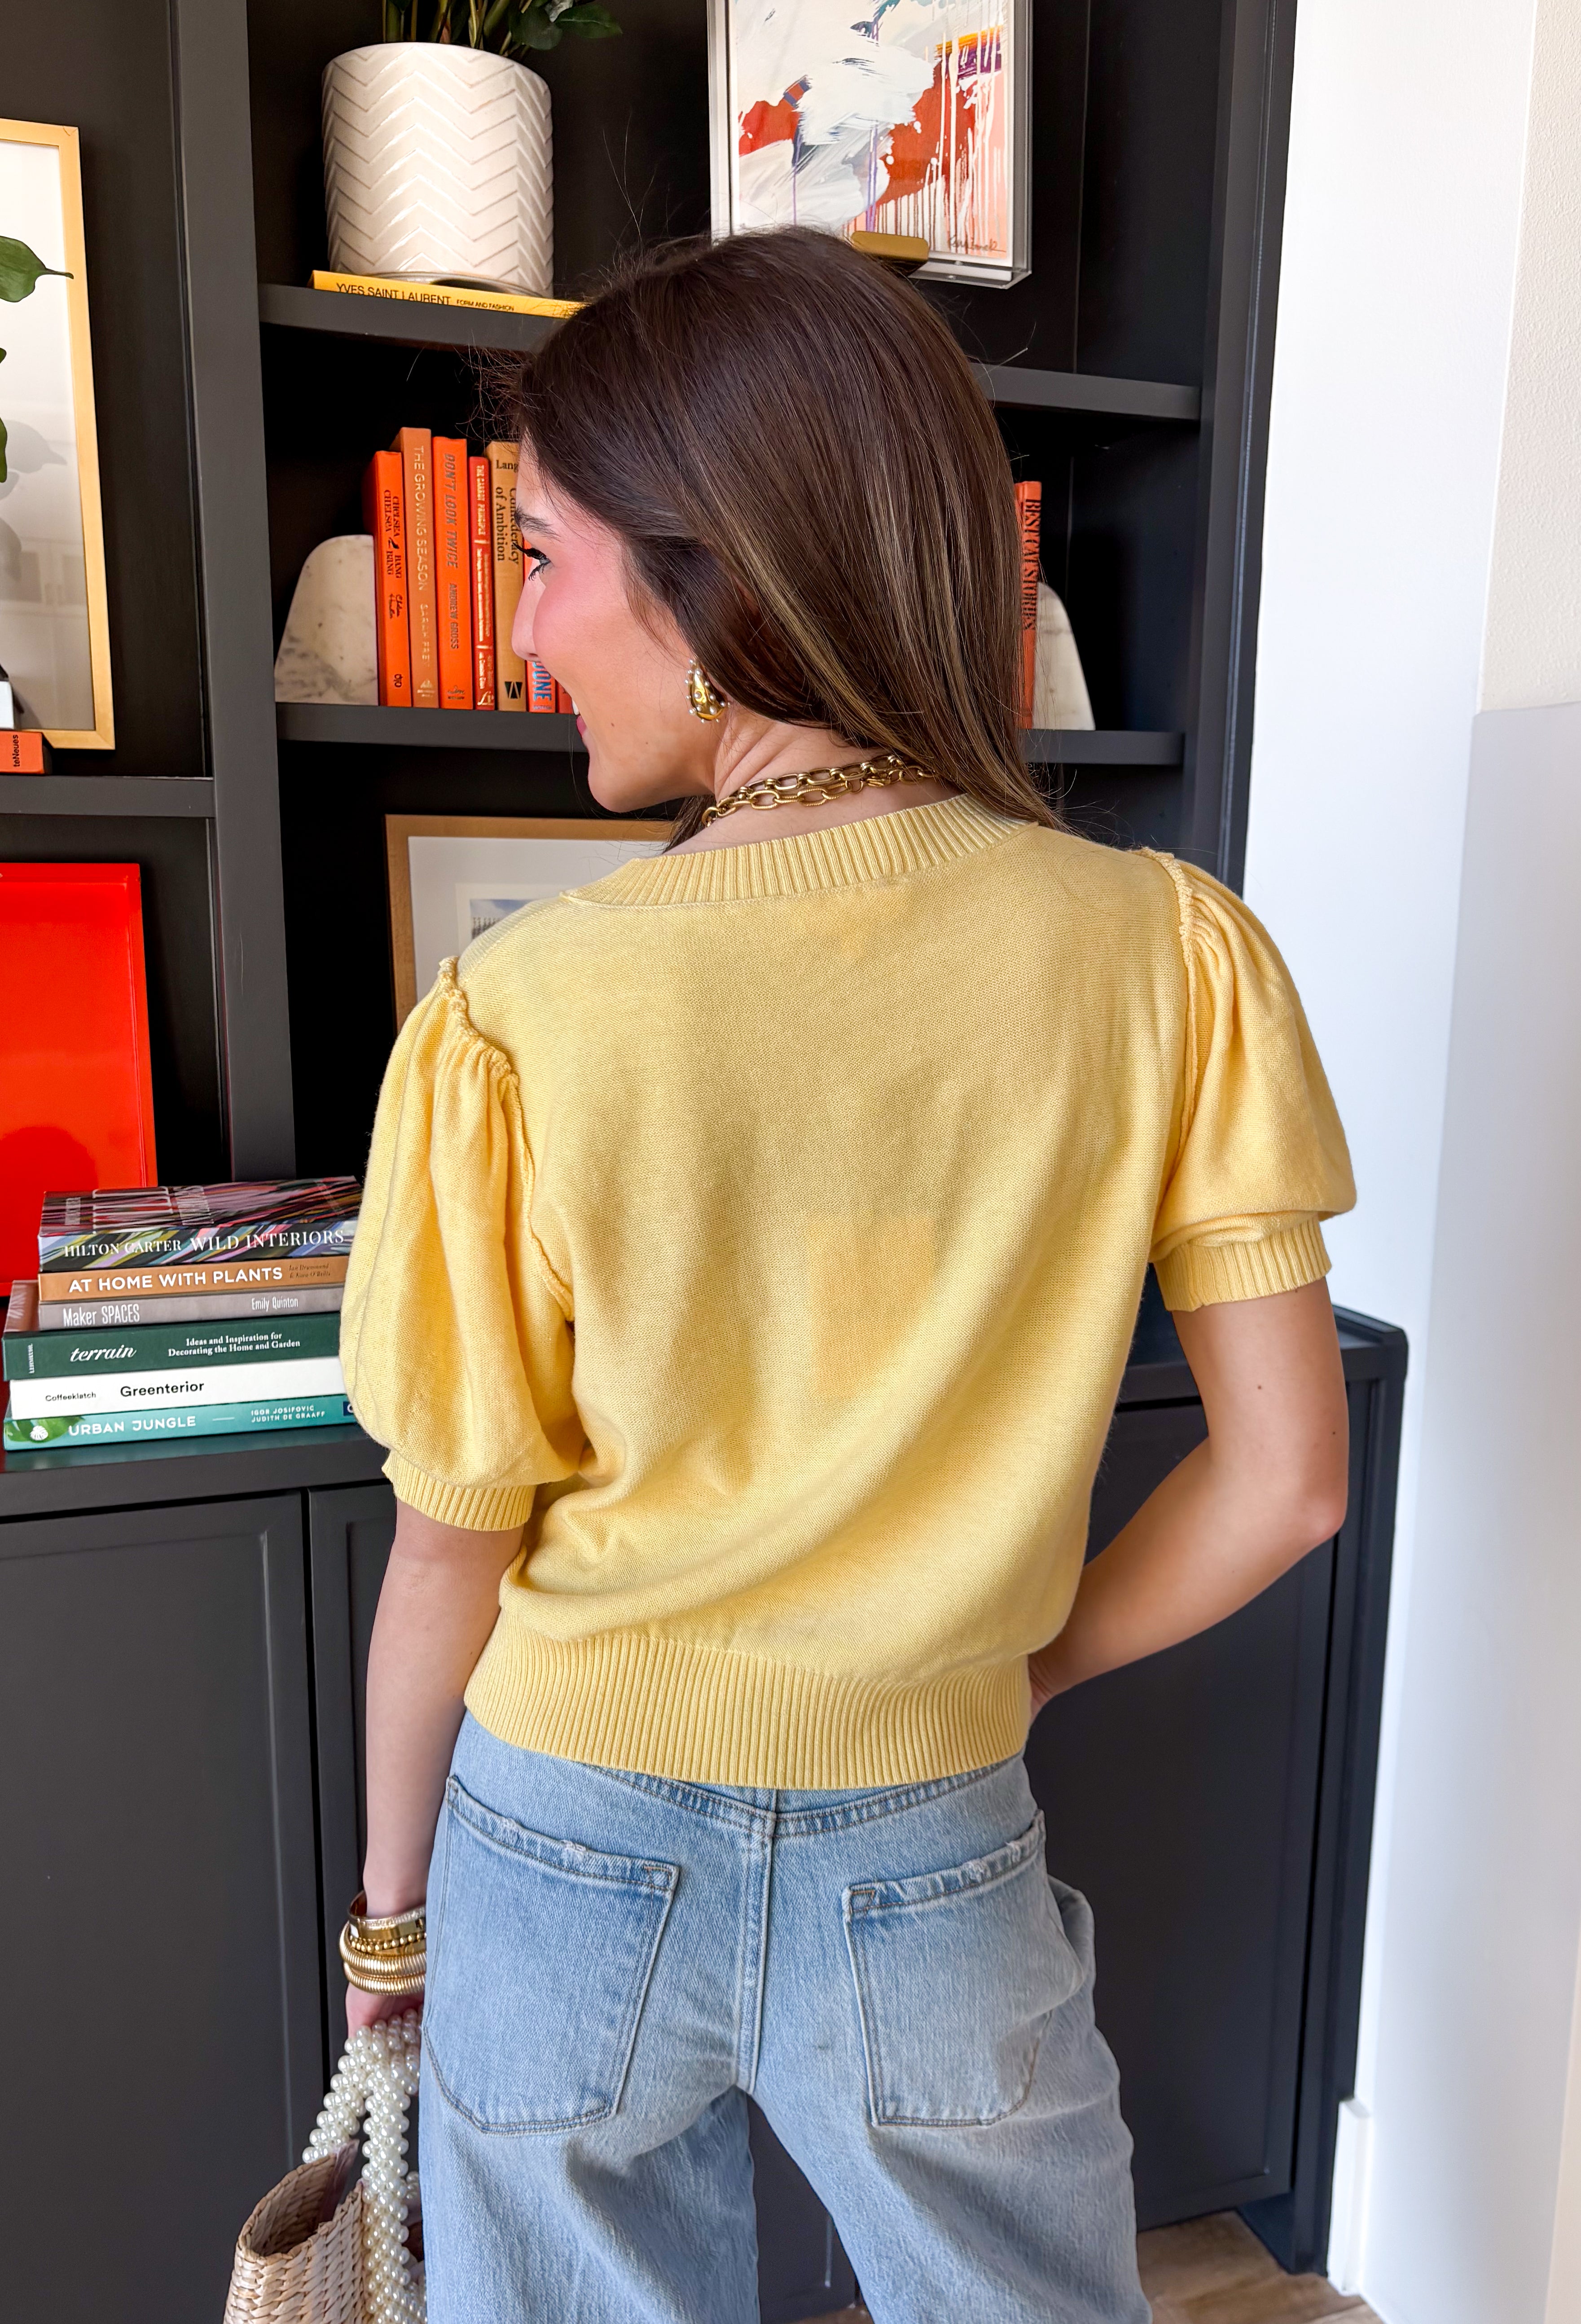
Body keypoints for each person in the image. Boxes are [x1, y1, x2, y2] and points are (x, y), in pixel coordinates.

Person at [339, 226, 1354, 2324]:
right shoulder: (1166, 951)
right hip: (932, 1829)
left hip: (556, 1840)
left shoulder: (520, 1011)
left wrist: (384, 1912)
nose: (528, 632)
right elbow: (1288, 1482)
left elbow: (453, 1543)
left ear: (699, 584)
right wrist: (1020, 1670)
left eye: (541, 556)